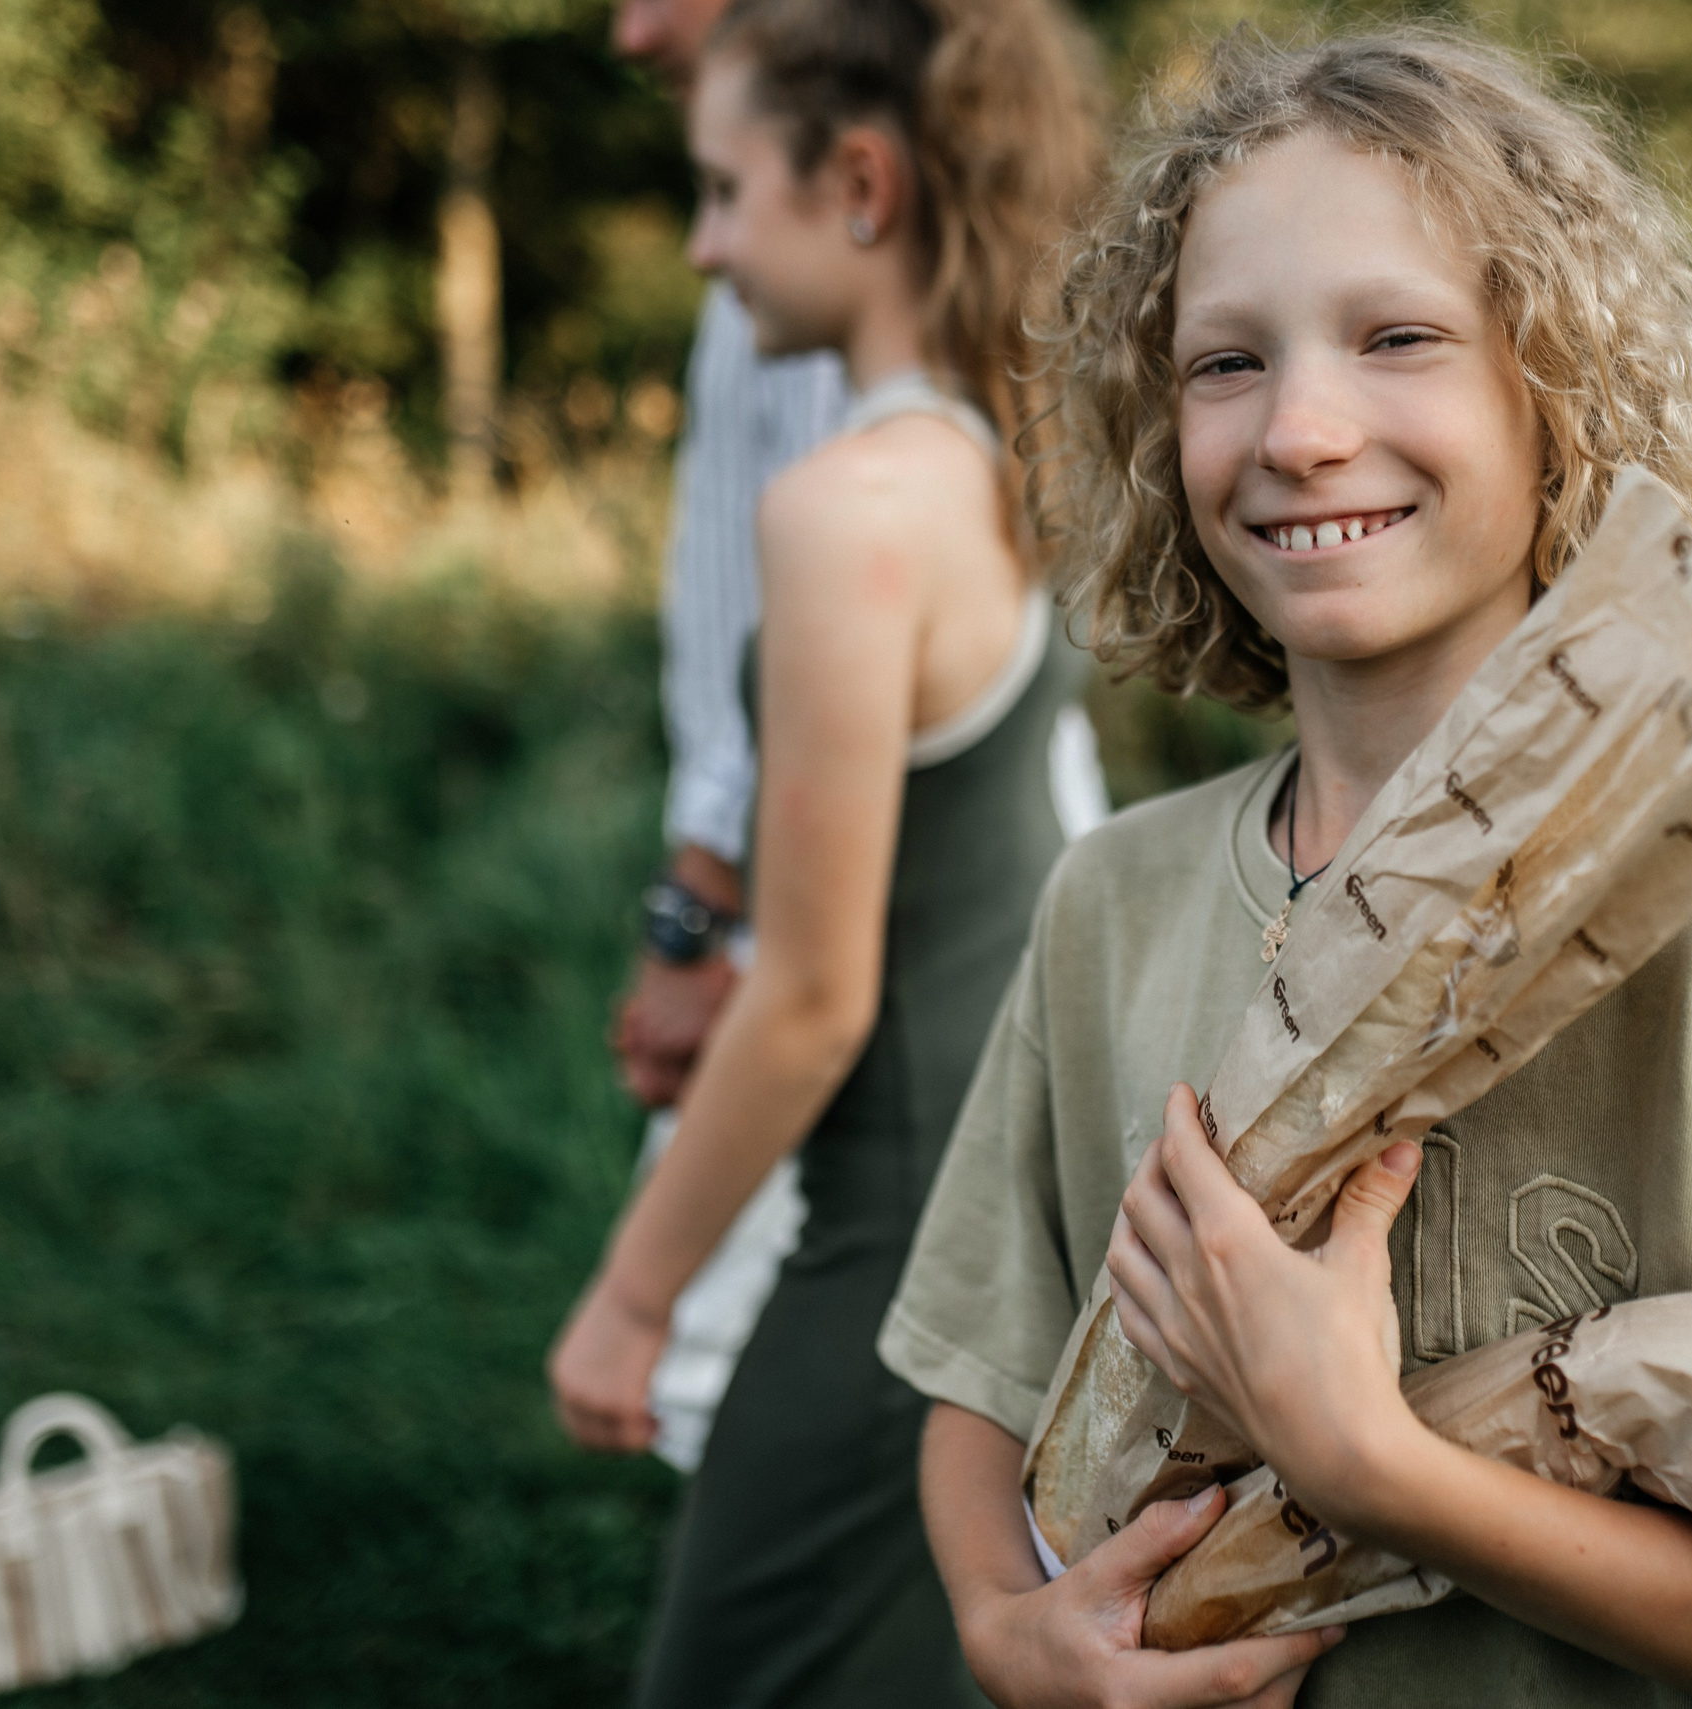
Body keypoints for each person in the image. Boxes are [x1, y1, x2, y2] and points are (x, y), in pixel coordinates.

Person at [877, 30, 1692, 1709]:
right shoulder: (1108, 905)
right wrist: (1011, 1632)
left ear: (1556, 389)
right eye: (1224, 362)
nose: (1300, 427)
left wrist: (1377, 1469)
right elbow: (984, 1393)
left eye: (1399, 337)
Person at [548, 0, 1105, 1701]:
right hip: (1011, 1196)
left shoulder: (849, 515)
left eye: (724, 191)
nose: (706, 243)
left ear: (858, 181)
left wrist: (633, 1299)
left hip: (902, 1241)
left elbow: (804, 997)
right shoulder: (991, 453)